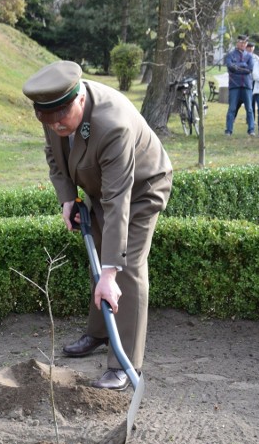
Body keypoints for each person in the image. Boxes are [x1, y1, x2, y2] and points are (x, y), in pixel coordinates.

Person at [22, 61, 173, 391]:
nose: (57, 126)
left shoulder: (111, 124)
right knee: (101, 260)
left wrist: (111, 272)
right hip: (100, 184)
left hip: (142, 188)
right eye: (50, 121)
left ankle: (124, 362)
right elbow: (54, 155)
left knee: (126, 267)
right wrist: (66, 197)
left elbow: (119, 198)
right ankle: (100, 332)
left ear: (78, 100)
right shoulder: (55, 108)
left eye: (63, 120)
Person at [225, 34, 256, 136]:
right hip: (234, 85)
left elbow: (250, 69)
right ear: (237, 43)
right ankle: (228, 130)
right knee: (232, 108)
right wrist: (243, 65)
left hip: (247, 85)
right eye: (241, 42)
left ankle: (251, 130)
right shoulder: (230, 55)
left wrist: (237, 66)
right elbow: (230, 68)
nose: (243, 44)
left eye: (245, 43)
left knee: (249, 109)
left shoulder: (250, 56)